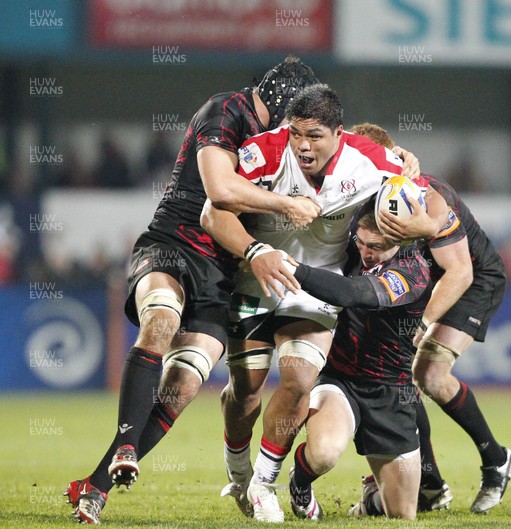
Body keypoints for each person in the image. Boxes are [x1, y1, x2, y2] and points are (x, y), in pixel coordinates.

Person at [64, 56, 322, 525]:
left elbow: (356, 148)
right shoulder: (226, 110)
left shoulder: (287, 144)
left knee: (184, 385)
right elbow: (220, 190)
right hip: (172, 243)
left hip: (220, 272)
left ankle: (96, 485)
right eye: (298, 114)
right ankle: (126, 440)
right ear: (285, 100)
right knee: (161, 320)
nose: (301, 129)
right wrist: (285, 204)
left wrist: (402, 160)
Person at [200, 84, 449, 522]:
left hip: (315, 289)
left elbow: (432, 200)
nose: (302, 144)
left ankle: (263, 481)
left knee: (298, 379)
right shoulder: (265, 152)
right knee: (246, 389)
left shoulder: (370, 161)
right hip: (255, 279)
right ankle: (238, 469)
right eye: (296, 133)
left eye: (313, 135)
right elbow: (213, 211)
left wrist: (425, 223)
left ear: (338, 133)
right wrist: (257, 251)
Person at [350, 123, 511, 515]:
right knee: (395, 374)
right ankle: (430, 484)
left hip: (471, 279)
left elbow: (460, 272)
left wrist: (422, 325)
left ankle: (495, 462)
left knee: (428, 374)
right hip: (431, 280)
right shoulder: (367, 194)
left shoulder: (425, 196)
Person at [285, 203, 433, 520]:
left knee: (402, 514)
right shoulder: (355, 244)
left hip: (390, 391)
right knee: (324, 454)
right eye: (361, 242)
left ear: (400, 240)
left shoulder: (414, 272)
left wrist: (293, 268)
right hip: (341, 379)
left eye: (376, 247)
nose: (365, 252)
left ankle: (370, 503)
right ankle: (299, 483)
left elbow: (353, 293)